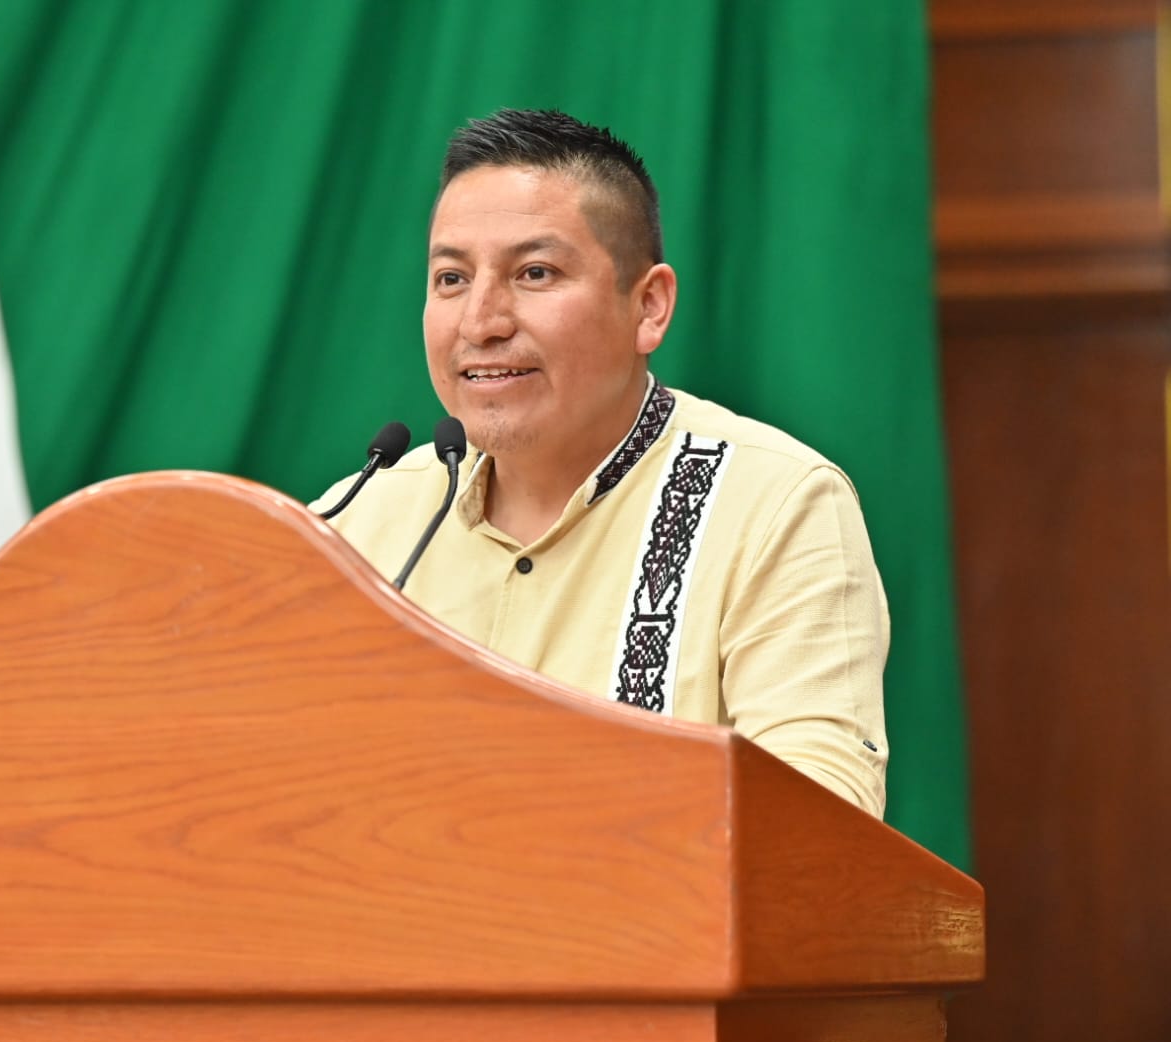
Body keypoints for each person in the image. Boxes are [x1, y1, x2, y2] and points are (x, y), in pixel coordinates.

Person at [318, 109, 888, 815]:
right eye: (451, 278)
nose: (481, 322)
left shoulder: (774, 504)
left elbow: (816, 824)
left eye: (534, 272)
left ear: (649, 306)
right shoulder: (355, 523)